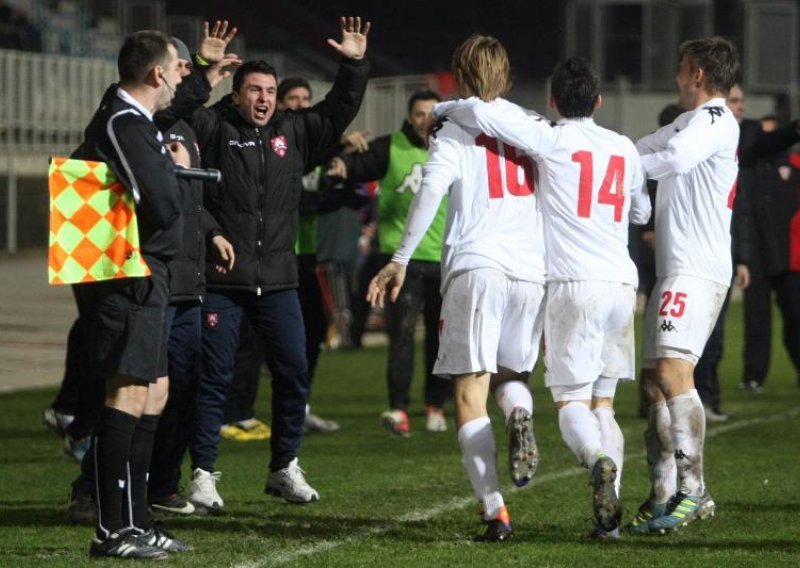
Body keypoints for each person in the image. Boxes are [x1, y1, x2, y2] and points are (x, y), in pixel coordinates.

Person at [440, 56, 651, 538]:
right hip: (622, 284)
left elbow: (488, 112)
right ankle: (609, 522)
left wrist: (443, 108)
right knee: (605, 404)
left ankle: (596, 460)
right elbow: (641, 211)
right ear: (598, 101)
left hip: (572, 286)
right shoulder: (623, 147)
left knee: (570, 403)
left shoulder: (552, 139)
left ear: (554, 101)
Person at [170, 17, 371, 512]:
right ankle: (202, 475)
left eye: (270, 91)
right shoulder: (213, 125)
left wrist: (353, 64)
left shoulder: (293, 132)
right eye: (254, 90)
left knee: (294, 371)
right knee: (213, 378)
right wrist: (200, 69)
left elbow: (340, 108)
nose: (263, 99)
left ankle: (283, 467)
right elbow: (171, 113)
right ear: (236, 94)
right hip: (222, 282)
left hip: (279, 281)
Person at [367, 34, 544, 542]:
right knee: (512, 377)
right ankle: (521, 416)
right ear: (506, 76)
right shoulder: (530, 126)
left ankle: (495, 512)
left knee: (469, 393)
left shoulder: (454, 128)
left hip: (479, 264)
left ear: (460, 76)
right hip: (531, 272)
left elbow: (431, 189)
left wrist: (399, 258)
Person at [72, 30, 186, 558]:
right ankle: (111, 528)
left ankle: (137, 521)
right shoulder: (121, 120)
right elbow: (160, 199)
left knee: (150, 392)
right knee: (125, 394)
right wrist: (178, 172)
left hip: (147, 270)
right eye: (177, 68)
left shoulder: (137, 122)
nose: (179, 78)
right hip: (127, 271)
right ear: (157, 73)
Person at [629, 36, 739, 535]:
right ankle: (661, 494)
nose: (675, 74)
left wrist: (616, 177)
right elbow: (642, 150)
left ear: (697, 74)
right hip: (673, 270)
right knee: (654, 383)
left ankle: (694, 491)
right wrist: (610, 159)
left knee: (675, 373)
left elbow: (669, 161)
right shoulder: (688, 121)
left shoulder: (715, 120)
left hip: (696, 269)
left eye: (681, 66)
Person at [328, 89, 452, 436]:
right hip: (400, 261)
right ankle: (399, 408)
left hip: (445, 260)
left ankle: (435, 405)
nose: (425, 120)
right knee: (401, 335)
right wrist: (343, 165)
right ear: (409, 117)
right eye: (418, 114)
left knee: (440, 341)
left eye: (431, 114)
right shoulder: (390, 147)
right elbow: (358, 166)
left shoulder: (453, 148)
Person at [727, 85, 800, 393]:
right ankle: (752, 374)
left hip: (771, 246)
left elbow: (772, 140)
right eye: (735, 101)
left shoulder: (751, 134)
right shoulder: (702, 133)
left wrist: (795, 128)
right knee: (755, 318)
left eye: (742, 101)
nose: (741, 106)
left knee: (793, 315)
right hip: (743, 242)